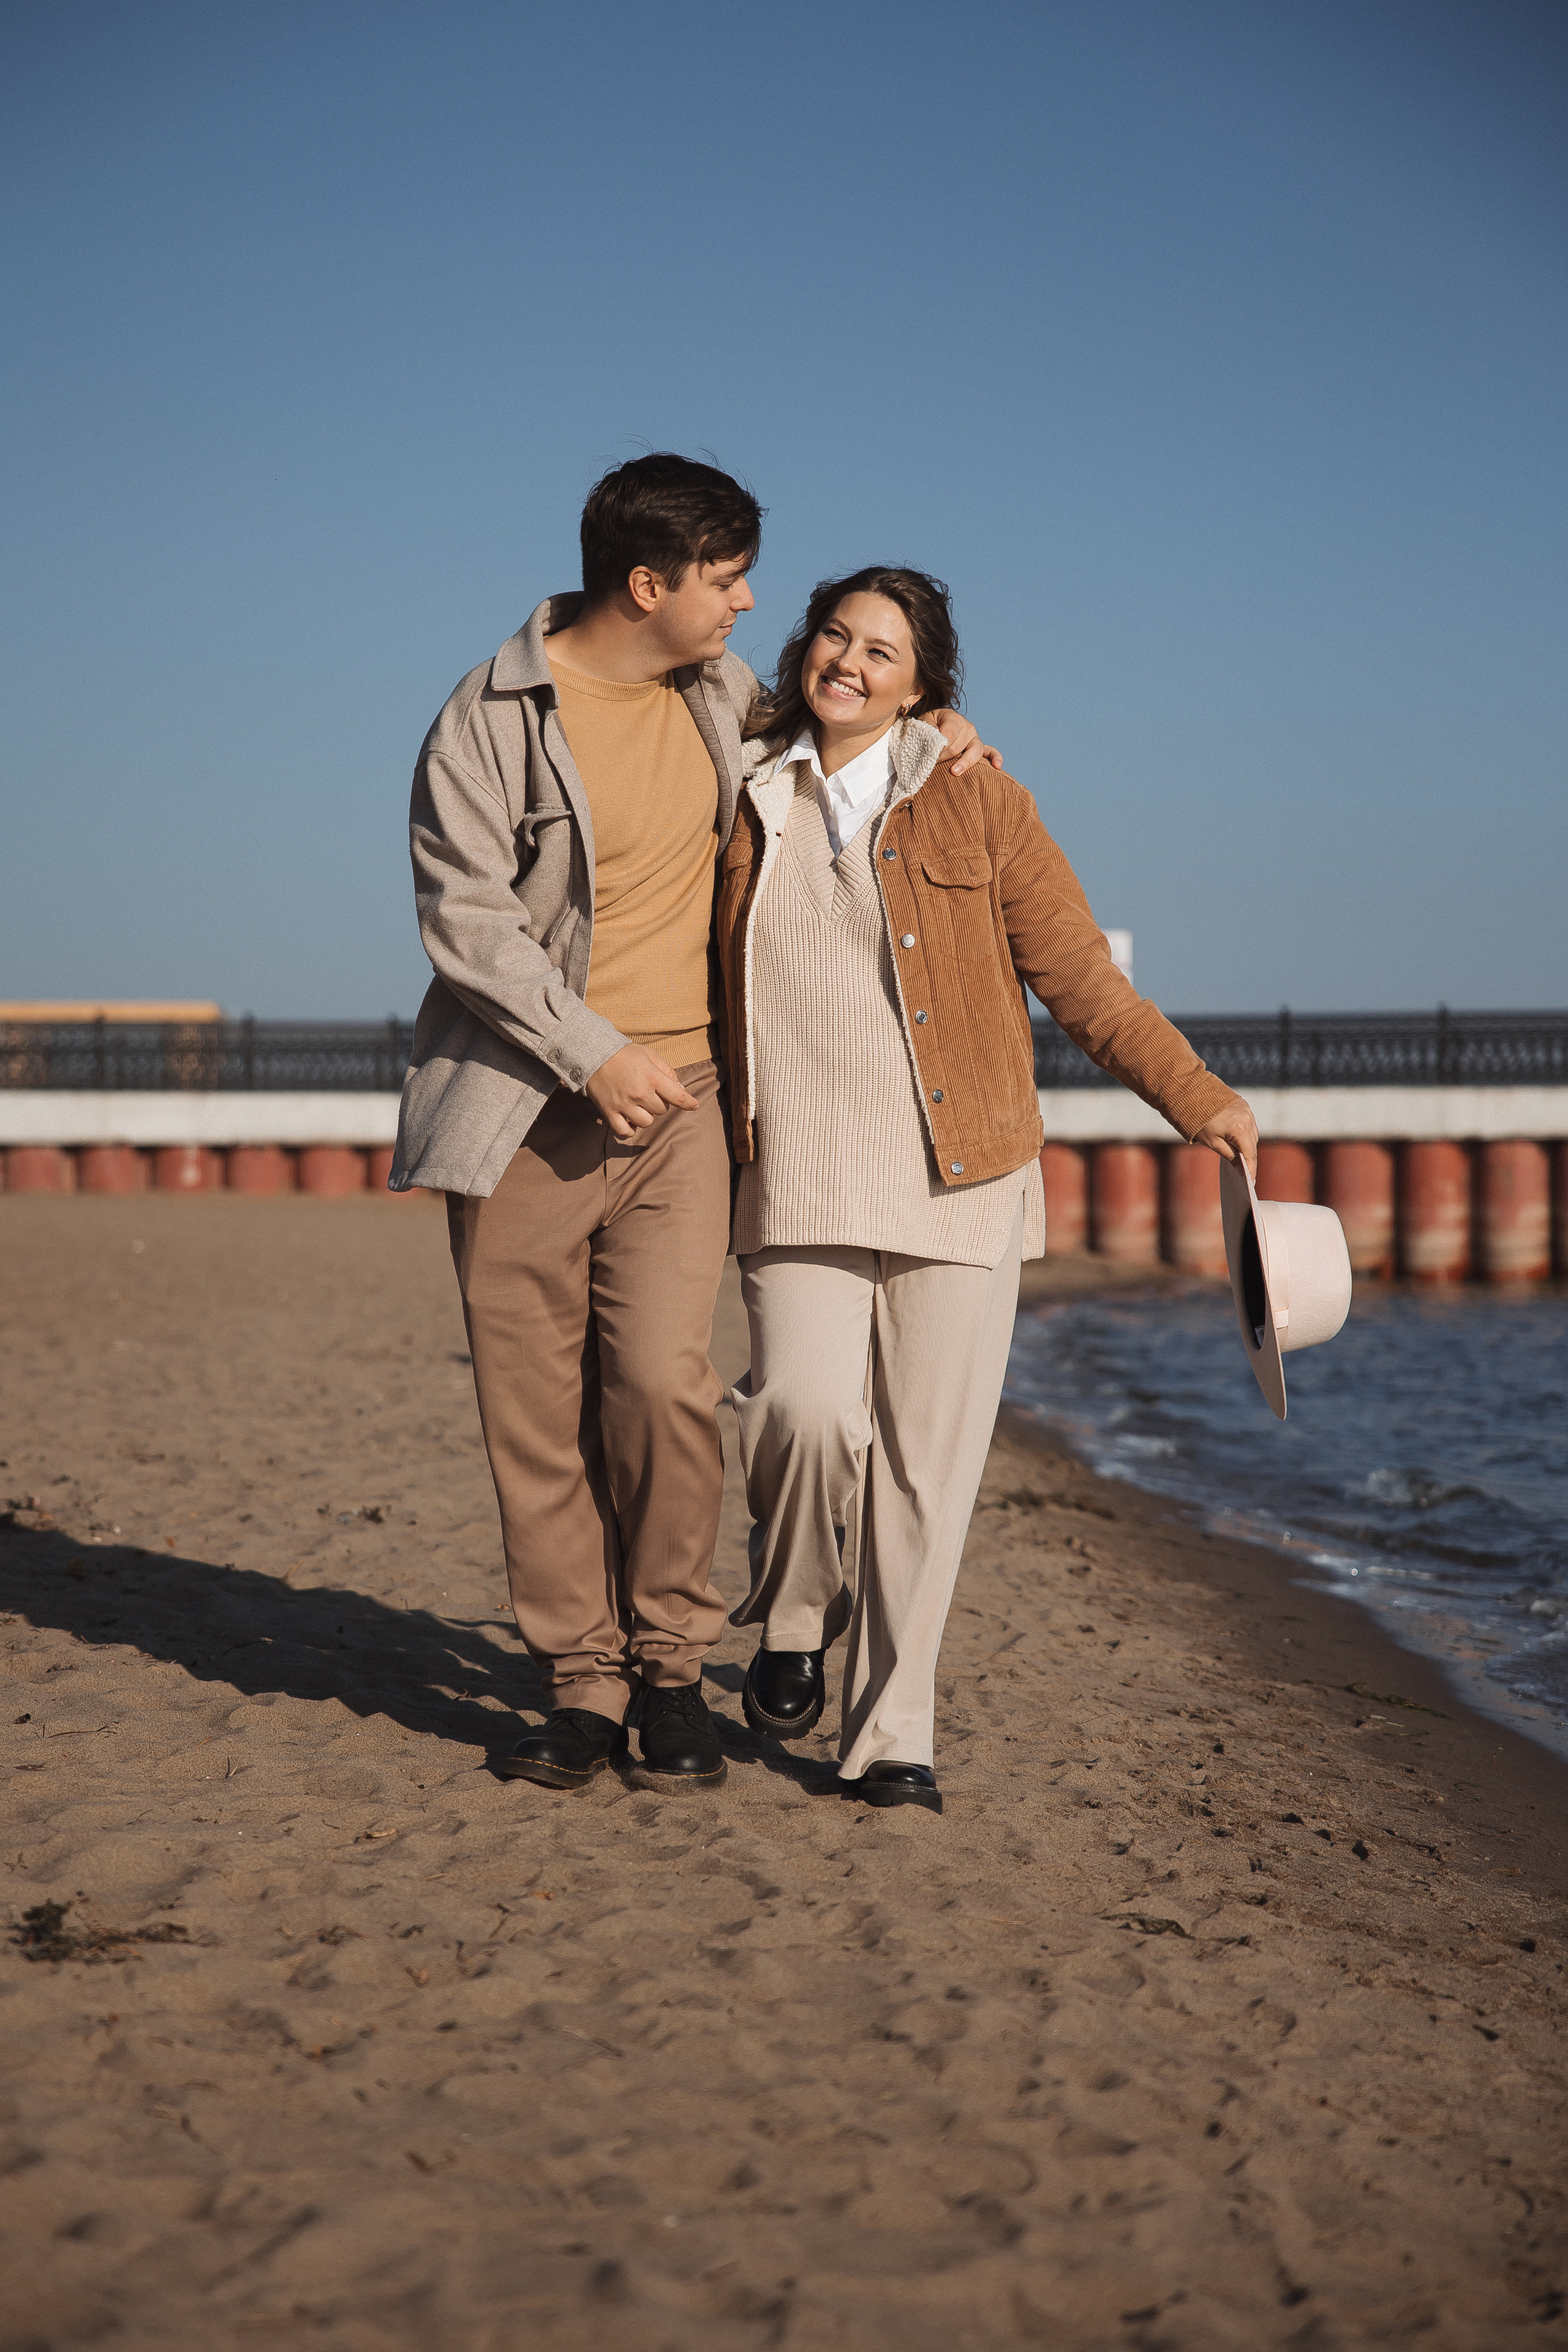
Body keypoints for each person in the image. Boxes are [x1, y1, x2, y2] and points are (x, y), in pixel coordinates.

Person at [390, 461, 995, 1795]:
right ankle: (581, 1683)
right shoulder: (486, 720)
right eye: (727, 579)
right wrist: (587, 1052)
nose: (752, 603)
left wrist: (939, 733)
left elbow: (850, 739)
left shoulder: (723, 696)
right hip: (519, 1114)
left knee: (661, 1388)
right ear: (648, 584)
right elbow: (466, 922)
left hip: (685, 1110)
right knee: (535, 1417)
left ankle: (670, 1665)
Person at [716, 567, 1258, 1812]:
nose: (849, 662)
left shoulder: (976, 799)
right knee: (797, 1412)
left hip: (961, 1176)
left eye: (883, 653)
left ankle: (890, 1734)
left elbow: (1079, 977)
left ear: (926, 687)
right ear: (804, 650)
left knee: (926, 1470)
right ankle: (794, 1617)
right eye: (835, 637)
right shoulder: (741, 786)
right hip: (796, 1166)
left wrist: (1197, 1097)